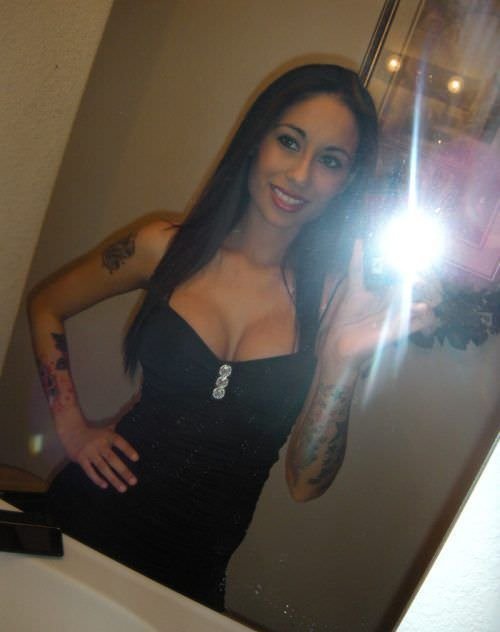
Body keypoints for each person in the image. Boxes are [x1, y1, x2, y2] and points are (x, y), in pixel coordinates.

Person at [28, 64, 435, 611]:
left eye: (330, 161)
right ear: (256, 140)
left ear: (346, 182)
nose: (300, 174)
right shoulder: (162, 246)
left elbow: (304, 484)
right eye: (289, 141)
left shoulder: (339, 304)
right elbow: (47, 305)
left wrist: (340, 362)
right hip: (82, 525)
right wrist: (72, 427)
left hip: (185, 584)